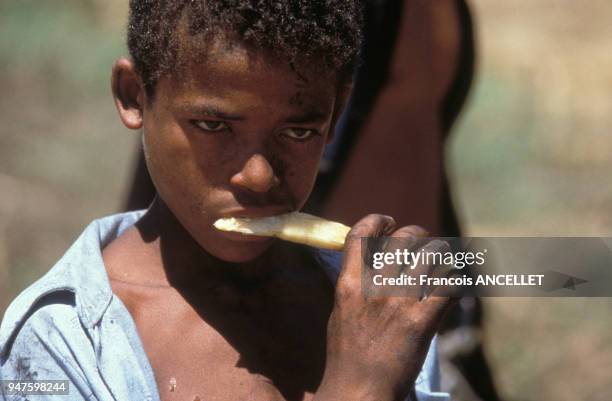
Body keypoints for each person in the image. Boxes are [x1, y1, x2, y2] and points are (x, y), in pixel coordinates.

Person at [0, 2, 453, 401]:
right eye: (214, 126)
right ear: (134, 95)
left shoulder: (378, 307)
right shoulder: (60, 343)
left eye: (298, 132)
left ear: (335, 115)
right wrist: (361, 388)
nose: (258, 177)